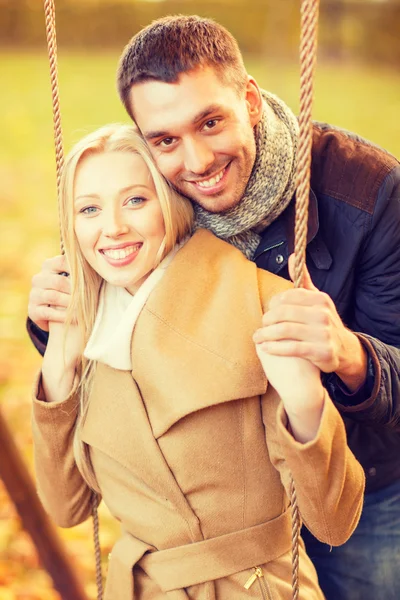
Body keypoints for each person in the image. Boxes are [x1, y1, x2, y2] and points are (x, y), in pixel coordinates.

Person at [27, 15, 400, 600]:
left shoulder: (365, 193)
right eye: (167, 140)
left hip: (367, 468)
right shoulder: (154, 196)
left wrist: (345, 355)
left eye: (210, 122)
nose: (196, 161)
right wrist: (54, 332)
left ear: (249, 100)